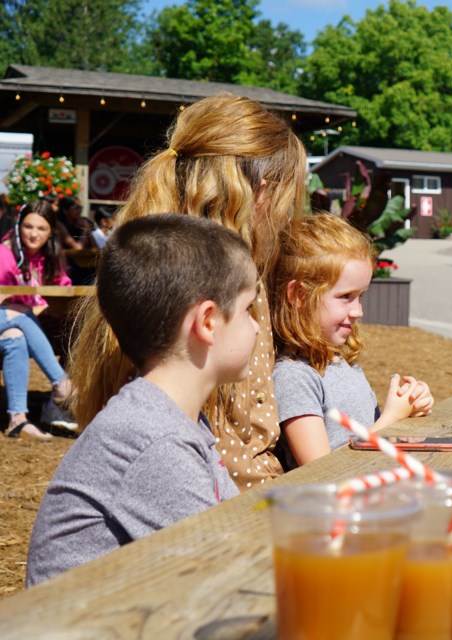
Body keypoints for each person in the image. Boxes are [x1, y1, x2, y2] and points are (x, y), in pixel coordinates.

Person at [69, 93, 307, 491]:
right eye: (289, 201)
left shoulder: (157, 272)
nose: (287, 219)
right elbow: (224, 467)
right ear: (263, 194)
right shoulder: (219, 295)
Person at [26, 214, 255, 586]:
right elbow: (238, 571)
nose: (257, 326)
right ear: (208, 322)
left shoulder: (171, 419)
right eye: (249, 309)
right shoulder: (154, 439)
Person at [269, 214, 434, 468]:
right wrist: (391, 419)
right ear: (299, 295)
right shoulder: (295, 377)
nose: (358, 311)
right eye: (346, 296)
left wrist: (409, 407)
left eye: (360, 296)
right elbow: (320, 470)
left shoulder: (341, 363)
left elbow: (365, 435)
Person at [0, 200, 78, 436]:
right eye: (28, 226)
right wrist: (31, 306)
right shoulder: (4, 252)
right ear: (18, 226)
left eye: (41, 228)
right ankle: (61, 384)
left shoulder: (51, 259)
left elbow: (63, 291)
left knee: (16, 337)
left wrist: (43, 304)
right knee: (20, 312)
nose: (33, 234)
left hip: (18, 328)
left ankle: (17, 420)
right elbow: (4, 298)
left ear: (51, 232)